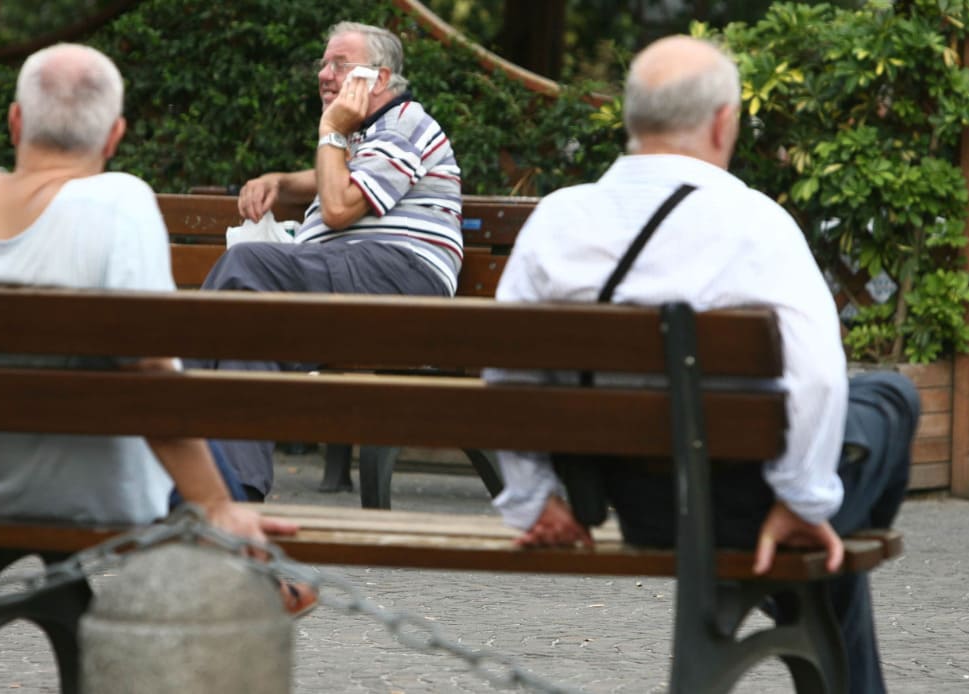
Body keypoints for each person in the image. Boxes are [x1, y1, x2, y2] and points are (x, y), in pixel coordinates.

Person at [484, 35, 918, 693]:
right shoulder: (754, 223)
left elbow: (508, 371)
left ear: (631, 117)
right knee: (887, 396)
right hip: (744, 506)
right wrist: (800, 500)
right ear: (722, 123)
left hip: (631, 503)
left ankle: (819, 534)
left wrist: (530, 498)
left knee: (835, 568)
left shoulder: (556, 220)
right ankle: (817, 524)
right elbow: (817, 377)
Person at [0, 43, 315, 615]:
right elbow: (150, 376)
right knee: (192, 392)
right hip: (120, 497)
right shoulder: (120, 203)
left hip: (3, 490)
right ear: (114, 135)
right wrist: (217, 508)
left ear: (15, 121)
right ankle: (253, 567)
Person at [202, 21, 463, 501]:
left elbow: (338, 208)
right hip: (353, 282)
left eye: (340, 65)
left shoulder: (405, 123)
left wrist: (330, 130)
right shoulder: (367, 138)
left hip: (398, 278)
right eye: (323, 64)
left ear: (378, 79)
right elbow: (331, 179)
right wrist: (281, 181)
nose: (325, 74)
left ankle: (160, 417)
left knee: (245, 263)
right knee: (247, 340)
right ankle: (238, 497)